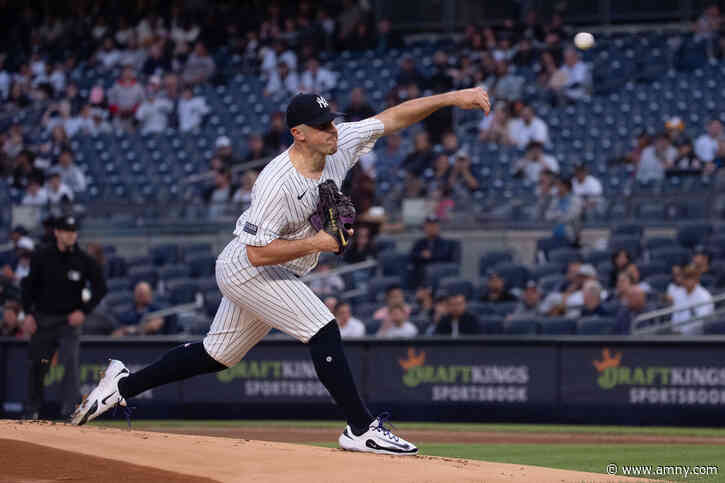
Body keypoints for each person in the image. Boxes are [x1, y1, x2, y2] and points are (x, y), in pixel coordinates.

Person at [71, 87, 491, 454]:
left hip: (277, 269)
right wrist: (322, 242)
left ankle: (120, 386)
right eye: (322, 126)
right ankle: (360, 429)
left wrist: (453, 98)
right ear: (299, 133)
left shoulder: (340, 142)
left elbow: (392, 117)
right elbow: (256, 254)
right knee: (322, 326)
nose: (332, 130)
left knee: (217, 355)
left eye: (332, 122)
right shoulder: (276, 181)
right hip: (248, 268)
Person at [22, 216, 107, 419]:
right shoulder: (42, 256)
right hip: (43, 320)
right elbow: (28, 286)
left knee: (70, 364)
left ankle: (70, 411)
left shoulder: (83, 259)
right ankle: (33, 410)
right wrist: (28, 314)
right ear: (57, 233)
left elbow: (101, 287)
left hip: (69, 322)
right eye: (67, 231)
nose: (71, 235)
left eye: (74, 231)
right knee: (39, 363)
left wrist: (84, 311)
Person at [408, 215, 457, 288]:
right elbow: (412, 256)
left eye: (434, 226)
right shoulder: (419, 243)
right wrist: (421, 255)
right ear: (424, 228)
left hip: (440, 274)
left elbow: (445, 257)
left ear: (438, 227)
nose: (431, 228)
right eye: (429, 226)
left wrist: (430, 256)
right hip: (421, 275)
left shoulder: (445, 243)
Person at [670, 264, 714, 335]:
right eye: (686, 277)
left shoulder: (705, 296)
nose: (688, 280)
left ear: (697, 279)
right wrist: (676, 332)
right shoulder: (678, 294)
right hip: (679, 336)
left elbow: (702, 322)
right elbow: (675, 317)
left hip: (700, 337)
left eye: (691, 277)